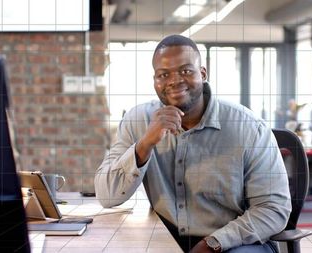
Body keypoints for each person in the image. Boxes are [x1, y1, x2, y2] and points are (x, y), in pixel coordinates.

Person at [95, 35, 291, 253]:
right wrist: (145, 143)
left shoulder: (249, 127)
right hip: (166, 238)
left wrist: (213, 243)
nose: (174, 80)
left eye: (186, 71)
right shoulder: (138, 121)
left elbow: (273, 208)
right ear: (155, 81)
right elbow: (107, 197)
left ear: (203, 74)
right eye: (164, 74)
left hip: (236, 242)